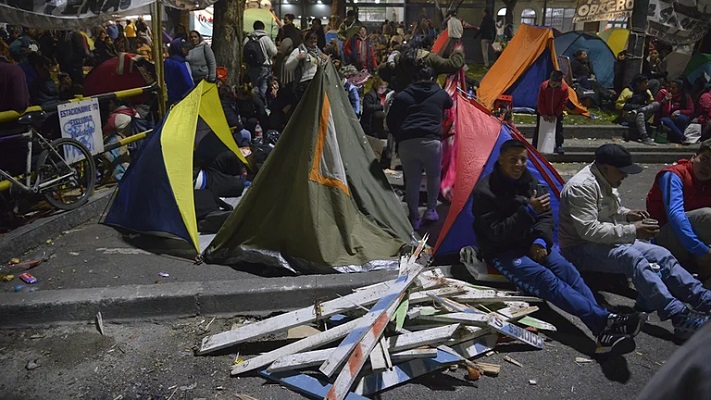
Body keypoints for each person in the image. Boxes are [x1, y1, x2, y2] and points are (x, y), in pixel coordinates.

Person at [472, 139, 645, 356]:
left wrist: (540, 241)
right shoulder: (485, 192)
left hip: (533, 244)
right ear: (501, 160)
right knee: (548, 281)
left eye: (523, 159)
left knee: (569, 272)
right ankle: (606, 322)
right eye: (512, 159)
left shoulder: (530, 181)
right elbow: (496, 233)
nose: (519, 164)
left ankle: (603, 331)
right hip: (503, 252)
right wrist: (527, 212)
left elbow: (545, 216)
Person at [559, 143, 711, 340]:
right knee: (631, 257)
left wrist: (627, 214)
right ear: (606, 168)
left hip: (607, 241)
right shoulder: (582, 187)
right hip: (580, 247)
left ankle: (702, 298)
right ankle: (678, 315)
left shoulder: (606, 179)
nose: (625, 176)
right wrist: (633, 230)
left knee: (660, 253)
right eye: (622, 172)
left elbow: (607, 211)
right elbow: (589, 230)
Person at [387, 59, 452, 230]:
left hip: (408, 141)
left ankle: (414, 215)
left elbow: (390, 120)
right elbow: (450, 104)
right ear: (432, 78)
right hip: (432, 141)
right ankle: (431, 210)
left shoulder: (402, 95)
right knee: (433, 176)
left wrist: (399, 135)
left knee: (412, 181)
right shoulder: (439, 93)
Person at [646, 139, 711, 279]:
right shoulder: (674, 175)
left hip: (691, 240)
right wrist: (702, 251)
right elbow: (675, 215)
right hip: (663, 236)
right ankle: (702, 262)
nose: (707, 166)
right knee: (707, 216)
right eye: (705, 159)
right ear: (694, 157)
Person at [378, 35, 465, 92]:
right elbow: (453, 65)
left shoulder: (399, 59)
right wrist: (457, 52)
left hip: (404, 96)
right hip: (427, 96)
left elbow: (382, 70)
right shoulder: (430, 58)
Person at [285, 31, 328, 108]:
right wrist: (297, 58)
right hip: (304, 84)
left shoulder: (319, 53)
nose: (313, 41)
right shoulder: (299, 50)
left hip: (317, 82)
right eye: (311, 39)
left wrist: (326, 59)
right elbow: (288, 66)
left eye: (315, 39)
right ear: (306, 40)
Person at [615, 74, 659, 145]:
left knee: (656, 104)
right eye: (645, 83)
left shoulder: (647, 92)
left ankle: (639, 111)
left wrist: (641, 108)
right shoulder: (628, 91)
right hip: (629, 115)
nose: (647, 84)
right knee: (640, 114)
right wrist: (634, 107)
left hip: (642, 111)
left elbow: (651, 103)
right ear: (638, 83)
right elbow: (618, 105)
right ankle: (645, 137)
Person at [533, 70, 569, 155]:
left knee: (558, 129)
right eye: (551, 82)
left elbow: (564, 102)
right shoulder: (544, 86)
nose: (552, 84)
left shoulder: (564, 88)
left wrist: (556, 113)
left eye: (555, 83)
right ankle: (535, 145)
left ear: (559, 82)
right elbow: (540, 101)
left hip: (556, 113)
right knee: (539, 129)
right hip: (543, 112)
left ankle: (559, 145)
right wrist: (543, 113)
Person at [244, 21, 277, 103]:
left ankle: (254, 103)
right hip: (264, 66)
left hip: (251, 66)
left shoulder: (248, 38)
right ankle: (262, 104)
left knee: (254, 85)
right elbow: (274, 51)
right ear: (263, 28)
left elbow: (244, 51)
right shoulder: (265, 38)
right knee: (263, 86)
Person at [164, 38, 194, 106]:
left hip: (169, 98)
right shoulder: (182, 63)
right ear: (179, 48)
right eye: (185, 47)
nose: (188, 49)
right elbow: (189, 83)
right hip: (182, 99)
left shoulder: (166, 61)